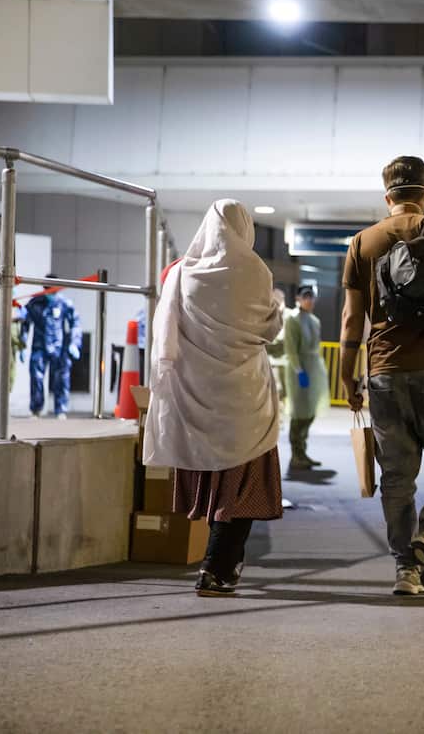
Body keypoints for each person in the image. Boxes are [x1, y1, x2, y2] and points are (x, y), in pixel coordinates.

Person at [340, 155, 424, 596]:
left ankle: (406, 571)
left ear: (387, 196)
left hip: (384, 371)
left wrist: (347, 377)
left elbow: (350, 320)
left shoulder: (362, 242)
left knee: (397, 477)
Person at [143, 200, 285, 597]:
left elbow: (167, 334)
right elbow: (268, 329)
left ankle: (217, 564)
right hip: (244, 397)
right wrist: (276, 309)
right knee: (242, 486)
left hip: (196, 395)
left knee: (216, 481)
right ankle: (218, 567)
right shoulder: (255, 270)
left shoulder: (182, 273)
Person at [283, 285, 329, 473]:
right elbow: (291, 347)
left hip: (313, 367)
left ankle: (302, 452)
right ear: (298, 299)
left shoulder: (314, 321)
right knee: (299, 412)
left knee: (310, 411)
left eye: (311, 297)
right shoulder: (292, 319)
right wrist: (298, 370)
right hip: (299, 368)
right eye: (306, 297)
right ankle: (296, 454)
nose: (309, 300)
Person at [23, 286, 82, 418]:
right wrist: (22, 343)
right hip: (39, 346)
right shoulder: (35, 303)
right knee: (36, 377)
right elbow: (24, 322)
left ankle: (61, 410)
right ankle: (36, 409)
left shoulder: (64, 303)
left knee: (61, 378)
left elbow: (76, 323)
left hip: (59, 347)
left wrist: (75, 343)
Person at [265, 287, 288, 408]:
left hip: (285, 362)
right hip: (272, 362)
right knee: (276, 392)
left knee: (283, 393)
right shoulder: (266, 316)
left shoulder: (288, 316)